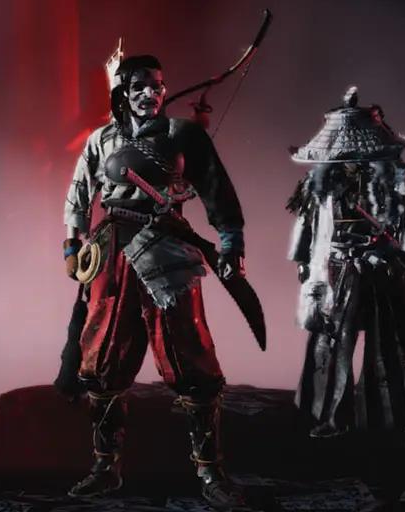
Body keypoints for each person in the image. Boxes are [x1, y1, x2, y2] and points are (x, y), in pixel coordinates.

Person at [61, 43, 252, 508]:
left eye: (158, 86)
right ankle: (104, 467)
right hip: (112, 250)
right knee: (103, 354)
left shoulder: (183, 135)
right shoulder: (102, 139)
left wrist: (231, 243)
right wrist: (72, 242)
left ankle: (210, 473)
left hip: (168, 244)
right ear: (123, 93)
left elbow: (216, 190)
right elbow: (80, 191)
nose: (151, 93)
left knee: (190, 352)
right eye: (140, 86)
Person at [288, 86, 405, 510]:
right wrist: (305, 265)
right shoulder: (320, 183)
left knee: (398, 347)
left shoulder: (399, 182)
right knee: (329, 346)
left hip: (386, 271)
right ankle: (328, 416)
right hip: (337, 271)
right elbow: (308, 229)